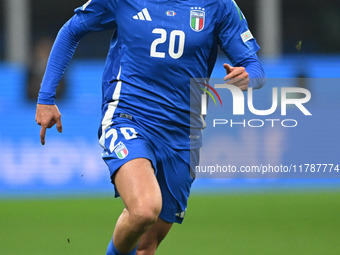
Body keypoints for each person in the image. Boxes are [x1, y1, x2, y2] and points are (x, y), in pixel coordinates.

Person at [35, 0, 265, 254]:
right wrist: (46, 97)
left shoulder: (218, 5)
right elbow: (71, 30)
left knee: (146, 246)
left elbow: (254, 66)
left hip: (183, 135)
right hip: (128, 117)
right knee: (144, 209)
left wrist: (248, 78)